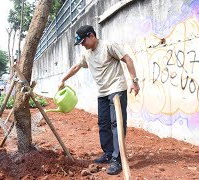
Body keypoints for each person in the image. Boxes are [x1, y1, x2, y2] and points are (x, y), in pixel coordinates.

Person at [58, 25, 140, 175]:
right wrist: (63, 80)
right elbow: (77, 66)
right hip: (102, 93)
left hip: (116, 90)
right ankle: (109, 153)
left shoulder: (108, 46)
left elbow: (127, 59)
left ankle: (118, 159)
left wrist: (134, 81)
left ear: (91, 36)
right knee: (103, 124)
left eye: (83, 41)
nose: (82, 45)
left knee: (117, 124)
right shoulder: (87, 54)